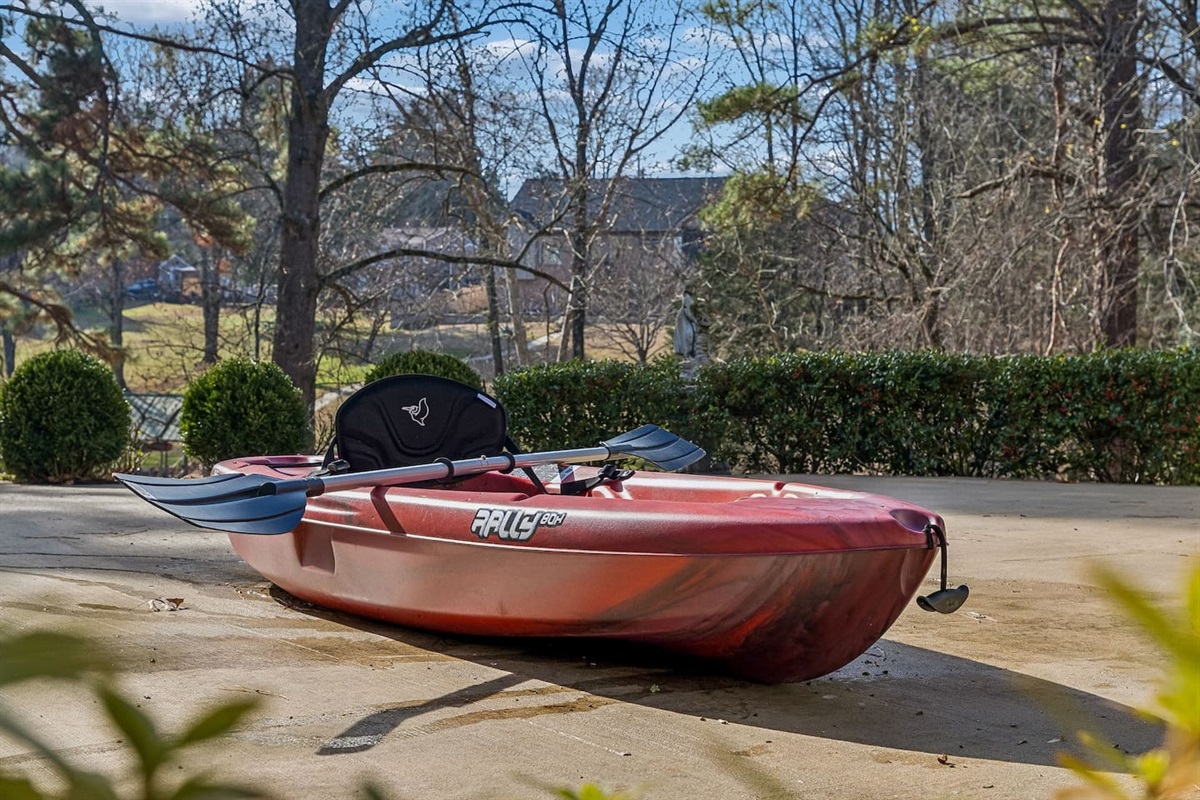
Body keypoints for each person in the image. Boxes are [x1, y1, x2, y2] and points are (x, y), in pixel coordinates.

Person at [673, 290, 698, 358]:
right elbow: (687, 311)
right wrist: (694, 320)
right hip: (683, 319)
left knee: (690, 335)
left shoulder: (689, 297)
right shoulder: (687, 298)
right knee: (686, 336)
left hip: (685, 320)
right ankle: (686, 354)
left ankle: (689, 353)